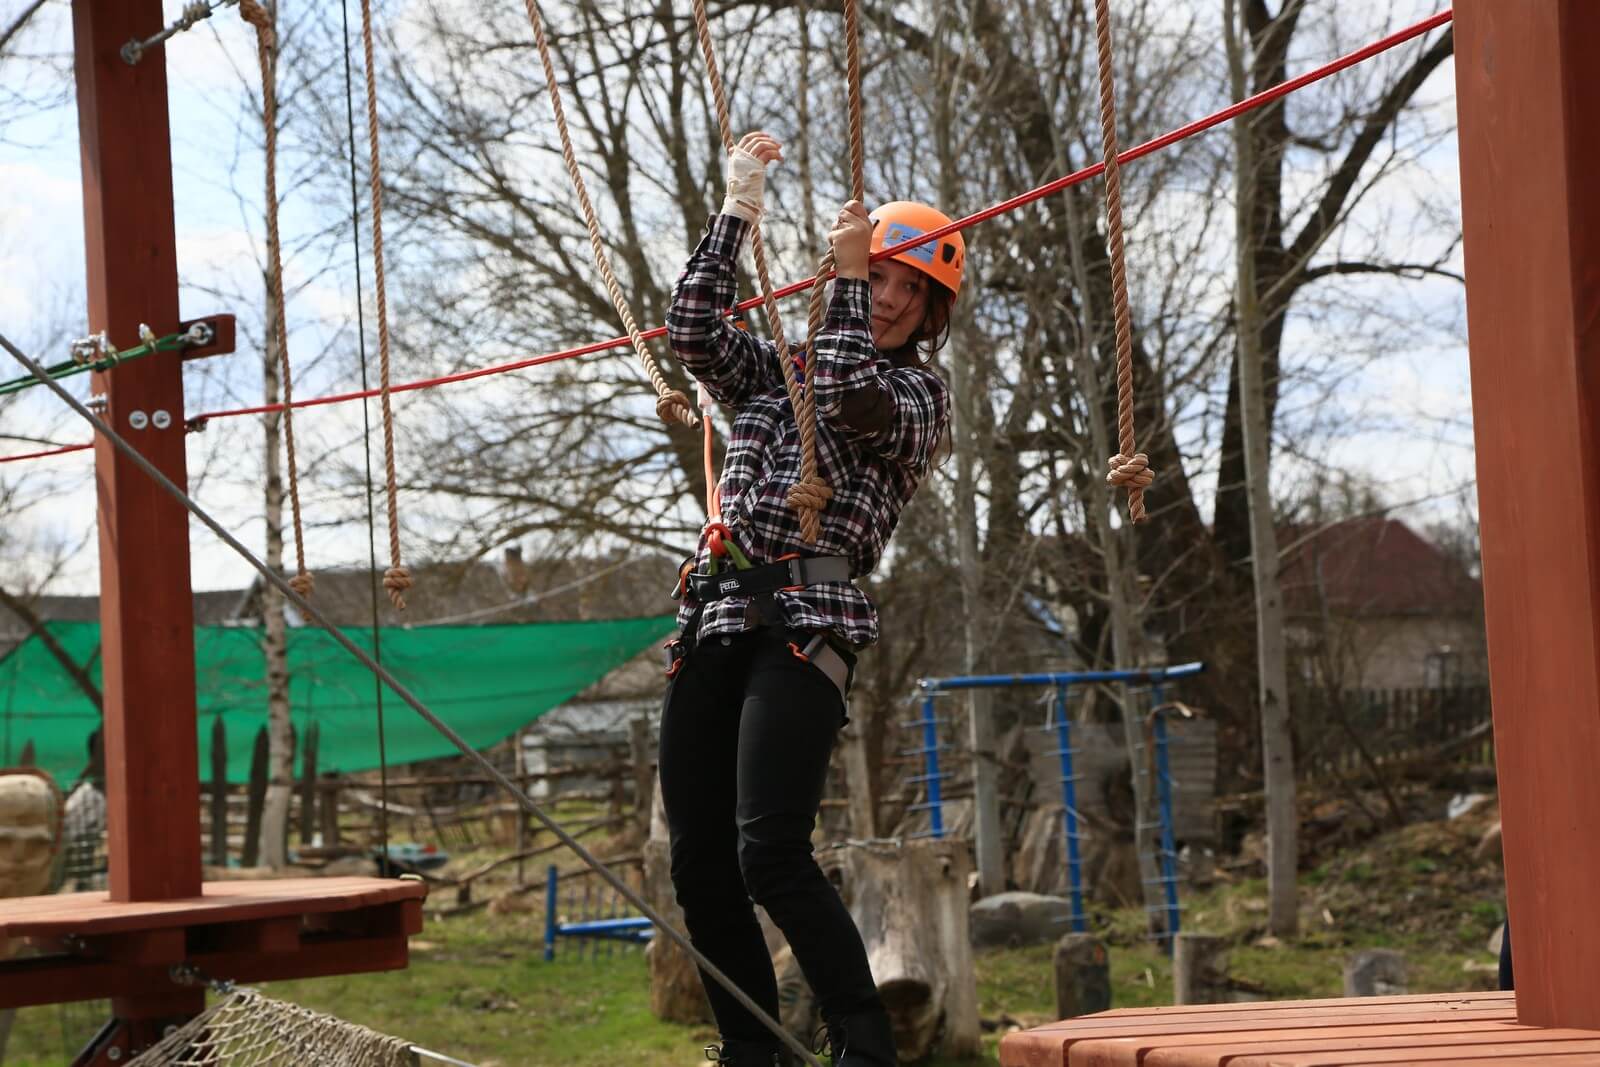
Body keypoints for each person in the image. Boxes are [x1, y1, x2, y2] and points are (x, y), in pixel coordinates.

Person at [659, 130, 964, 1067]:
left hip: (807, 622)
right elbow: (695, 334)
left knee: (769, 851)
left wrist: (838, 278)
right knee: (697, 863)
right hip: (714, 616)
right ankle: (753, 1048)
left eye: (911, 293)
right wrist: (736, 212)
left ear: (928, 317)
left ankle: (863, 1045)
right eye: (883, 280)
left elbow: (843, 393)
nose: (892, 301)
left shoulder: (918, 398)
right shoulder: (772, 371)